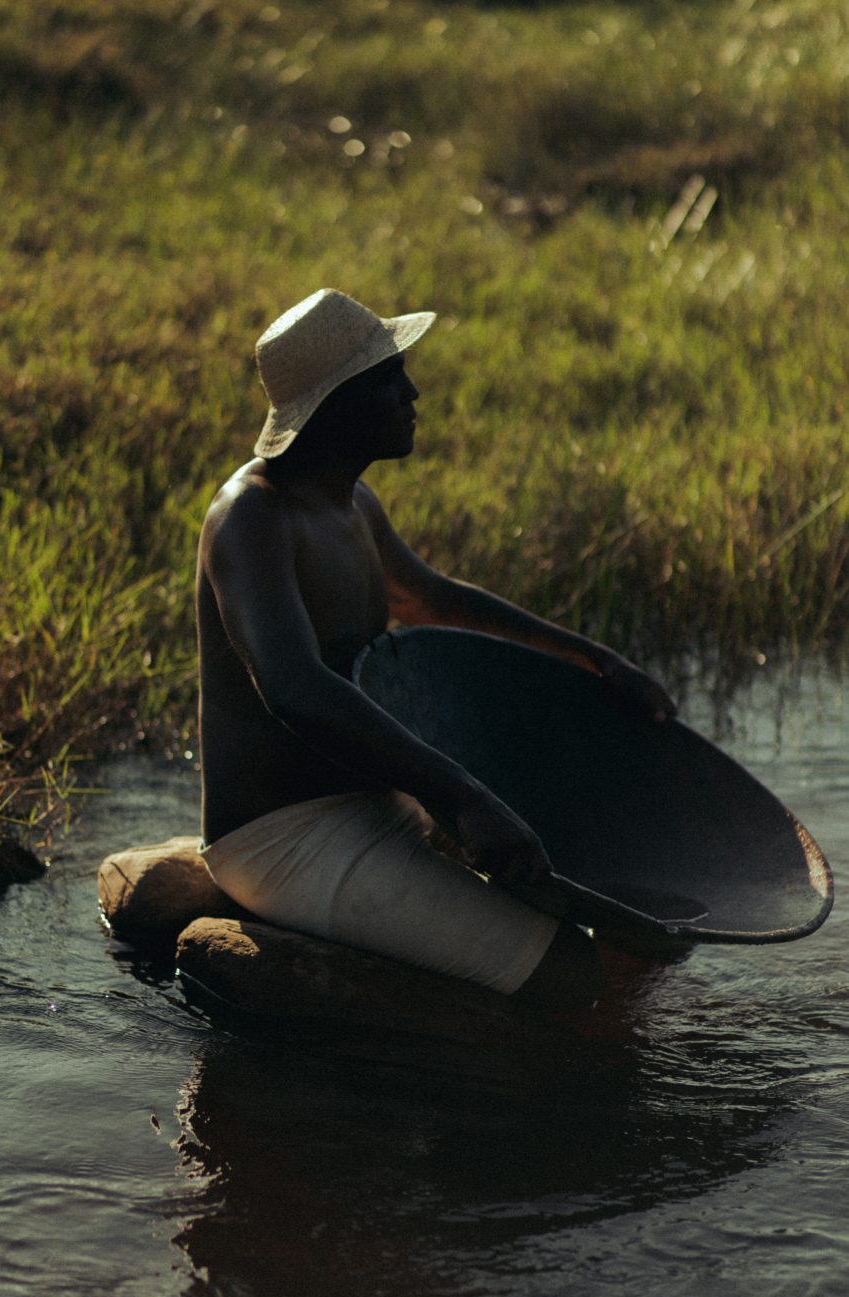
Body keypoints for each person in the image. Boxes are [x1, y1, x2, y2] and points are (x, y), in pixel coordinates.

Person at [196, 289, 674, 1011]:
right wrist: (462, 795)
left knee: (649, 920)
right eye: (390, 380)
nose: (412, 393)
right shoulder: (252, 518)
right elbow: (291, 686)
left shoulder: (352, 503)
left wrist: (594, 659)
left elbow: (434, 600)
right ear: (335, 406)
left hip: (379, 802)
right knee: (576, 976)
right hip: (285, 836)